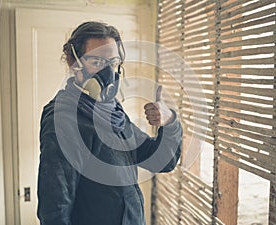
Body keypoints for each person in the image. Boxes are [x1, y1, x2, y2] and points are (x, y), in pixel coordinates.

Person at [37, 21, 182, 225]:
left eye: (113, 63)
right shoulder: (63, 118)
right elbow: (54, 210)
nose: (108, 73)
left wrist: (169, 122)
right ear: (73, 63)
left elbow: (160, 160)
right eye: (97, 62)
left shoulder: (112, 111)